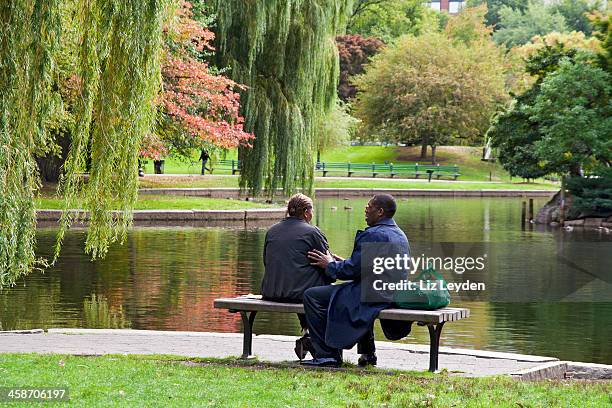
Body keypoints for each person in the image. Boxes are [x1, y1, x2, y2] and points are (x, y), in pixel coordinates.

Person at [303, 194, 413, 367]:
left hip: (373, 295)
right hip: (391, 293)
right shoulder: (399, 234)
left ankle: (326, 355)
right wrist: (341, 262)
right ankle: (368, 354)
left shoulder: (374, 235)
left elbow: (351, 271)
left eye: (369, 206)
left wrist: (329, 265)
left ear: (380, 211)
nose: (365, 209)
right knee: (353, 301)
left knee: (312, 296)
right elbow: (366, 268)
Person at [261, 194, 333, 359]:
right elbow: (329, 269)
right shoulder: (313, 232)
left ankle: (308, 334)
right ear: (307, 212)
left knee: (303, 282)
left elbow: (267, 262)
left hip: (272, 291)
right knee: (322, 291)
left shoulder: (272, 230)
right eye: (312, 210)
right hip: (299, 294)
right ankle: (317, 341)